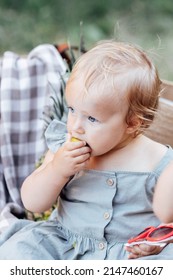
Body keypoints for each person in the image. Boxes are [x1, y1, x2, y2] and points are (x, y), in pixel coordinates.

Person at [0, 39, 173, 260]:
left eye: (92, 118)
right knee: (18, 253)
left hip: (128, 256)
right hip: (64, 244)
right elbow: (33, 203)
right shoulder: (64, 148)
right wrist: (57, 169)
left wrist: (157, 243)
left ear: (132, 123)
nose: (76, 126)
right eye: (72, 110)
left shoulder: (158, 162)